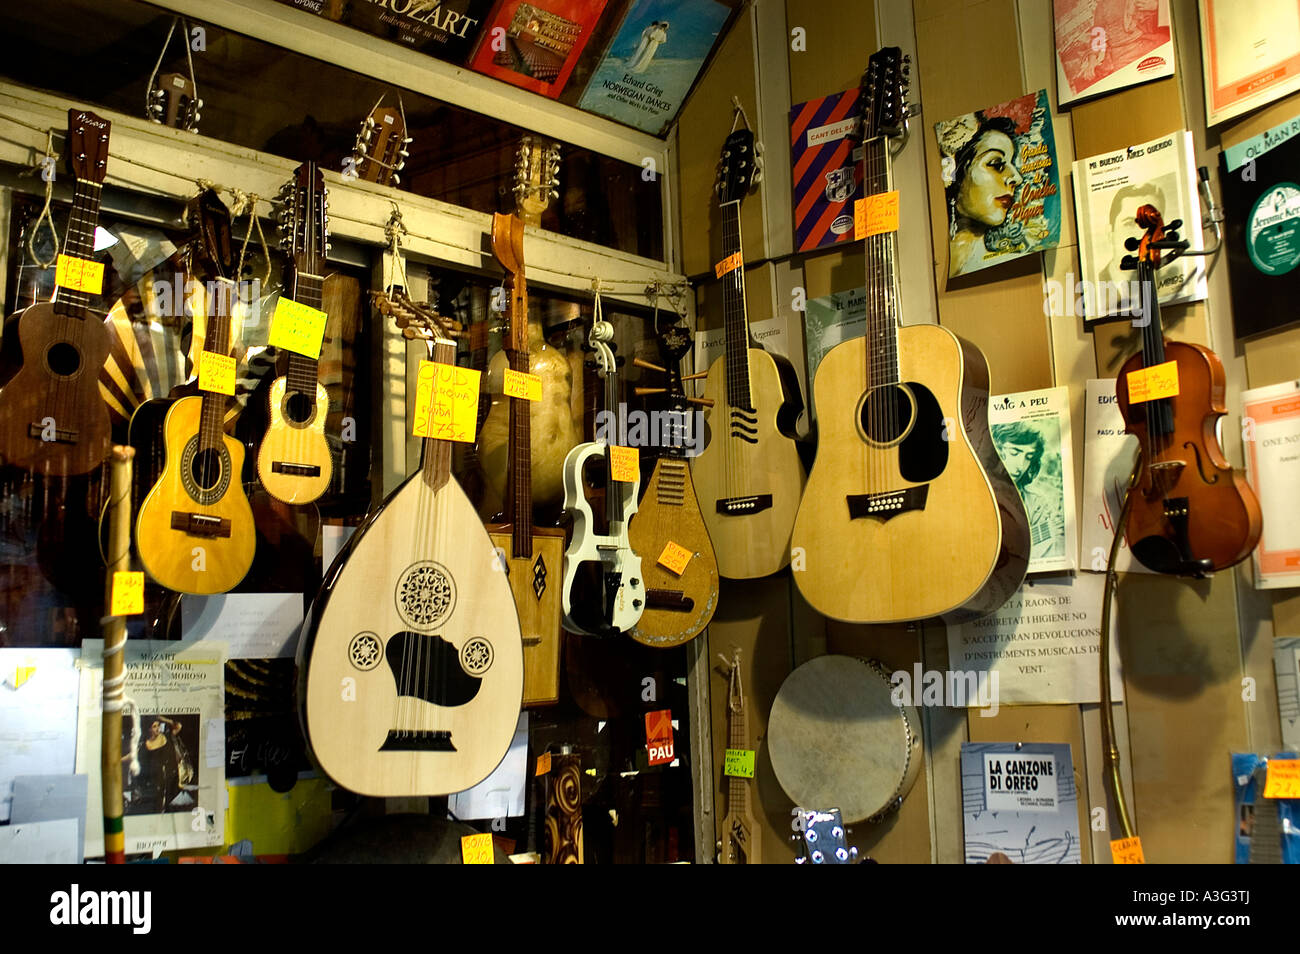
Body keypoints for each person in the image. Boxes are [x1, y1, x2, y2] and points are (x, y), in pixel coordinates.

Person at [941, 116, 1024, 276]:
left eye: (1012, 164)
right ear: (958, 175)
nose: (1017, 178)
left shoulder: (1005, 265)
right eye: (996, 164)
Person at [993, 422, 1063, 560]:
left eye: (1028, 457)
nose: (1020, 466)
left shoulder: (1037, 503)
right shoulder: (972, 492)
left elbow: (1043, 554)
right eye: (1014, 453)